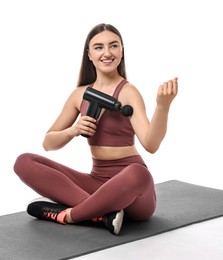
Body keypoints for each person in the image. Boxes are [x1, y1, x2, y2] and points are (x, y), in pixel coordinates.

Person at [13, 23, 178, 235]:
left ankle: (70, 215)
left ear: (121, 50)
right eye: (99, 47)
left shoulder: (128, 92)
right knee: (24, 162)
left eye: (113, 46)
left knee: (139, 174)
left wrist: (163, 107)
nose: (107, 53)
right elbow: (48, 143)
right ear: (89, 54)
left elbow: (151, 144)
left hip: (133, 191)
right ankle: (102, 214)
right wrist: (72, 130)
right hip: (96, 184)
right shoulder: (79, 95)